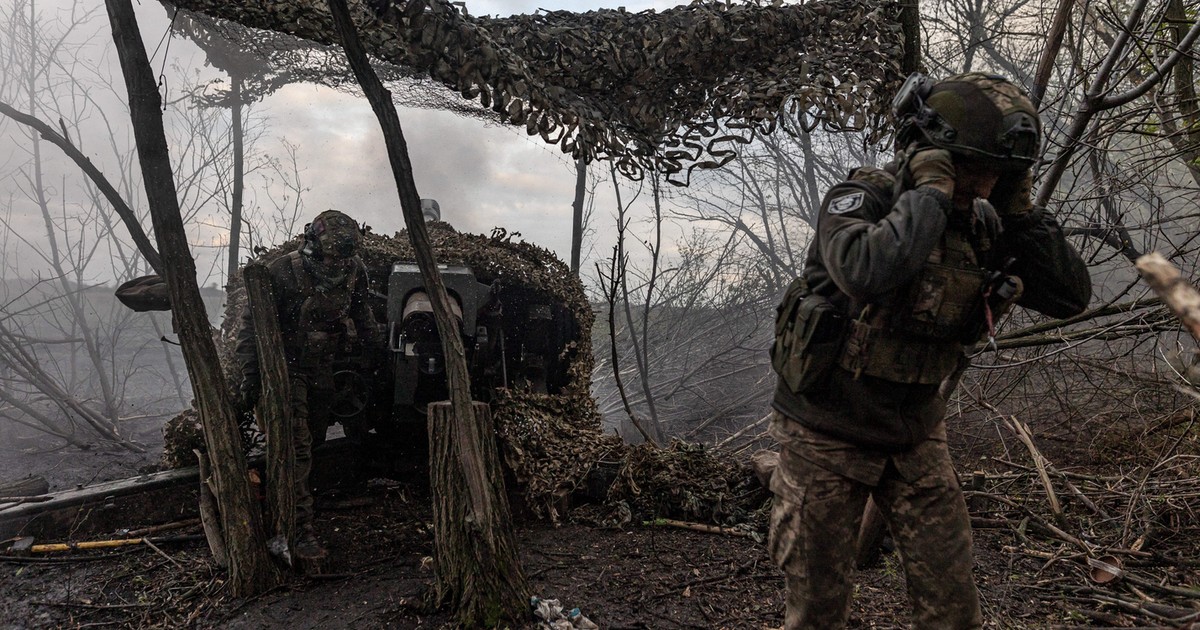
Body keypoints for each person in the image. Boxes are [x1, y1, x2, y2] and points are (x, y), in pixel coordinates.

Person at [767, 73, 1092, 628]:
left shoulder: (984, 220)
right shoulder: (863, 199)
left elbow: (1069, 296)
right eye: (973, 167)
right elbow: (866, 272)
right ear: (932, 153)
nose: (985, 184)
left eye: (999, 173)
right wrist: (929, 196)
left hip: (915, 434)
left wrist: (1020, 213)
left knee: (952, 605)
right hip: (826, 433)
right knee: (818, 609)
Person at [236, 209, 378, 562]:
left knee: (311, 442)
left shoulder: (354, 270)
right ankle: (298, 533)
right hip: (285, 371)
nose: (337, 265)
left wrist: (379, 359)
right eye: (332, 257)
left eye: (344, 258)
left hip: (323, 370)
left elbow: (363, 317)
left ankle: (290, 506)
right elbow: (250, 331)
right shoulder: (283, 272)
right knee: (294, 448)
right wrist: (251, 381)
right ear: (314, 246)